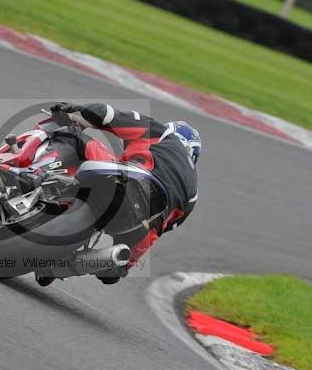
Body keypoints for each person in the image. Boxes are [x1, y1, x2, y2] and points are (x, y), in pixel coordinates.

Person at [50, 102, 201, 284]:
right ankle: (102, 261)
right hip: (144, 225)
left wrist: (74, 111)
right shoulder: (193, 195)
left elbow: (107, 115)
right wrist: (128, 263)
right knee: (113, 272)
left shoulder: (163, 134)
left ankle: (33, 173)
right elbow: (162, 228)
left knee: (72, 136)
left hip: (130, 181)